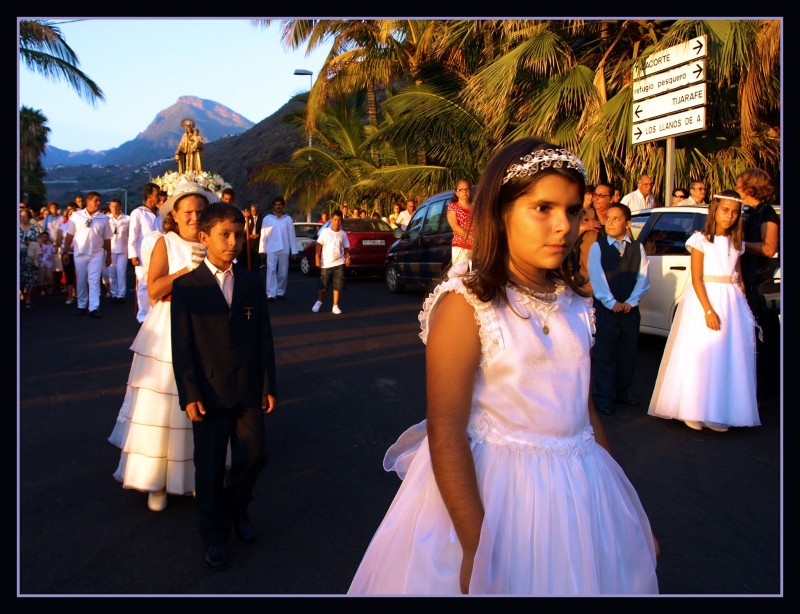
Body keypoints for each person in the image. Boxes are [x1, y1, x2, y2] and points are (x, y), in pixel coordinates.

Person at [348, 137, 658, 596]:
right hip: (499, 495)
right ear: (500, 212)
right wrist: (476, 545)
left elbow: (584, 410)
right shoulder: (467, 305)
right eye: (542, 208)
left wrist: (628, 512)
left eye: (573, 211)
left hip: (580, 488)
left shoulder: (575, 303)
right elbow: (446, 429)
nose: (562, 226)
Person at [171, 202, 277, 571]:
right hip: (210, 393)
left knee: (255, 455)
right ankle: (213, 534)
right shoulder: (187, 287)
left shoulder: (250, 282)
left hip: (248, 388)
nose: (234, 242)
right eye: (225, 235)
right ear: (205, 238)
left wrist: (267, 384)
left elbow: (263, 336)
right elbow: (181, 346)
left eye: (237, 234)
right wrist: (190, 394)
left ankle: (237, 507)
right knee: (211, 467)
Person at [109, 180, 218, 513]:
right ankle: (156, 481)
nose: (195, 217)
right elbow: (154, 289)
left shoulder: (212, 241)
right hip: (169, 325)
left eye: (201, 212)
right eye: (188, 212)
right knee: (164, 404)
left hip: (205, 325)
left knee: (201, 401)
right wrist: (188, 271)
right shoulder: (163, 242)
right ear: (175, 213)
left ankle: (196, 476)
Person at [648, 190, 759, 431]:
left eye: (734, 212)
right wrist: (708, 310)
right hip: (705, 300)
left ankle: (718, 411)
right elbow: (696, 279)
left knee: (726, 356)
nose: (729, 216)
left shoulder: (736, 243)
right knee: (703, 354)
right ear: (715, 210)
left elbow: (737, 276)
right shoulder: (700, 240)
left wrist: (742, 303)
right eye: (725, 210)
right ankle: (693, 409)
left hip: (731, 301)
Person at [587, 202, 650, 415]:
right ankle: (603, 397)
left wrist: (631, 302)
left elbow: (643, 278)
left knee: (627, 351)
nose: (610, 222)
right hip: (607, 309)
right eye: (608, 218)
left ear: (628, 223)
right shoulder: (599, 247)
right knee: (605, 352)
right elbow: (598, 278)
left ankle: (621, 392)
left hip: (629, 310)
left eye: (616, 219)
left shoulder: (637, 248)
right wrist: (611, 302)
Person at [736, 169, 780, 406]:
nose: (737, 187)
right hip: (745, 282)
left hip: (759, 285)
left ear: (750, 188)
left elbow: (769, 248)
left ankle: (765, 393)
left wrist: (741, 244)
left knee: (763, 339)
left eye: (739, 184)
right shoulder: (746, 213)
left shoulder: (767, 214)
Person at [62, 191, 112, 318]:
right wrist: (66, 251)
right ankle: (82, 305)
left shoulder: (104, 218)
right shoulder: (76, 215)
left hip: (96, 254)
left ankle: (94, 307)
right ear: (88, 201)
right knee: (81, 280)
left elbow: (107, 238)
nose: (98, 203)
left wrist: (109, 255)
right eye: (96, 200)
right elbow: (69, 235)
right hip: (80, 253)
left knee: (94, 281)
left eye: (99, 200)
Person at [128, 183, 163, 322]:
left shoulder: (160, 213)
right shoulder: (138, 213)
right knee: (143, 284)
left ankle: (155, 313)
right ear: (149, 196)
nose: (158, 197)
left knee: (157, 282)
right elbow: (133, 235)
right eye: (156, 194)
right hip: (143, 254)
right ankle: (143, 316)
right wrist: (133, 255)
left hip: (159, 253)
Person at [311, 209, 350, 315]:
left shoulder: (343, 234)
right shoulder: (325, 232)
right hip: (326, 263)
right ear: (331, 220)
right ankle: (319, 302)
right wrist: (317, 258)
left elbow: (346, 247)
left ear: (342, 221)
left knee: (338, 284)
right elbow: (319, 245)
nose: (337, 222)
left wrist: (347, 257)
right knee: (323, 284)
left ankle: (335, 305)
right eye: (335, 219)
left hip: (339, 263)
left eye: (339, 220)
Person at [258, 196, 297, 300]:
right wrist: (262, 249)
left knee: (283, 272)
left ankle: (280, 291)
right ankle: (271, 293)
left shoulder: (288, 219)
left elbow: (292, 235)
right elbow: (263, 235)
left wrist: (294, 251)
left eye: (280, 205)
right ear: (273, 206)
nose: (278, 207)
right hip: (271, 248)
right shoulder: (267, 219)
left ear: (283, 206)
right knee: (271, 270)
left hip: (284, 248)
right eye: (276, 205)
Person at [106, 198, 130, 304]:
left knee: (121, 272)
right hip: (111, 249)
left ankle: (121, 294)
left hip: (123, 249)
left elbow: (131, 234)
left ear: (120, 207)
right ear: (109, 207)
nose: (114, 209)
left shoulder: (127, 219)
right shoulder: (106, 219)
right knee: (112, 273)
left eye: (116, 206)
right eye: (112, 206)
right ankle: (114, 293)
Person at [447, 180, 474, 266]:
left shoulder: (475, 206)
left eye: (467, 189)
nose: (465, 192)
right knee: (461, 276)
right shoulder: (453, 206)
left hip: (476, 248)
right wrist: (472, 238)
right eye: (461, 190)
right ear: (457, 193)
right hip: (461, 247)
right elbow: (455, 226)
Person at [19, 208, 40, 308]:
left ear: (29, 217)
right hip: (19, 256)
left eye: (25, 216)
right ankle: (22, 293)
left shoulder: (34, 228)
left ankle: (28, 297)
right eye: (21, 216)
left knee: (29, 277)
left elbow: (39, 242)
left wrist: (30, 243)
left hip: (30, 256)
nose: (23, 218)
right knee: (20, 277)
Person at [58, 204, 77, 304]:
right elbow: (58, 240)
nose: (71, 215)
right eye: (69, 213)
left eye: (73, 213)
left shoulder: (80, 226)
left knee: (79, 274)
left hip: (78, 252)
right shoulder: (63, 226)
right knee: (69, 274)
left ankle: (79, 294)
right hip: (67, 253)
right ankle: (70, 296)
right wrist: (66, 248)